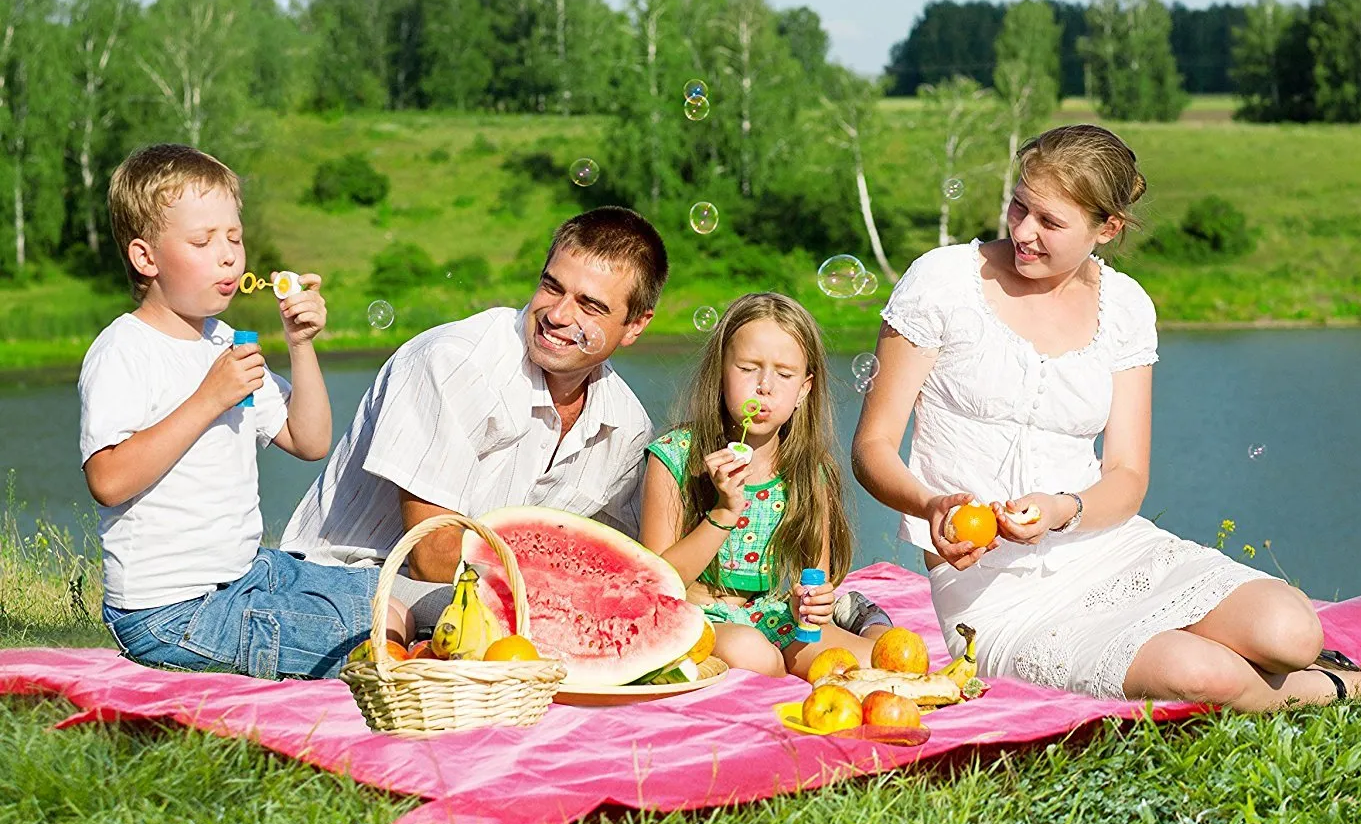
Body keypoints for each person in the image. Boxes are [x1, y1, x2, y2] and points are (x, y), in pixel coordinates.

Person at [850, 125, 1361, 713]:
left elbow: (1126, 476)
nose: (1023, 232)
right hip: (994, 596)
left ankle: (1289, 668)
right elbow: (872, 448)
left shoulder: (1125, 308)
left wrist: (1063, 509)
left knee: (1292, 631)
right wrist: (932, 507)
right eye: (1019, 207)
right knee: (1203, 672)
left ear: (1107, 228)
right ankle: (1348, 688)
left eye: (1051, 222)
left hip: (1109, 550)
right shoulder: (942, 281)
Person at [80, 143, 393, 680]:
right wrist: (209, 398)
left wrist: (300, 343)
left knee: (384, 586)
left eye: (234, 237)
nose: (228, 255)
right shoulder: (124, 351)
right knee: (375, 627)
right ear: (146, 258)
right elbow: (108, 479)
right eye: (203, 241)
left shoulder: (225, 343)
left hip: (244, 574)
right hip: (170, 612)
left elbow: (310, 440)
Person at [281, 207, 663, 628]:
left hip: (496, 594)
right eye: (552, 287)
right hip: (347, 579)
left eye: (590, 306)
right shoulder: (452, 363)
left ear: (634, 326)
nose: (558, 315)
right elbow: (430, 556)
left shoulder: (627, 426)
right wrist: (564, 596)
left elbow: (614, 559)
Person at [639, 293, 892, 678]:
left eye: (784, 374)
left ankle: (861, 616)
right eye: (748, 368)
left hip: (776, 616)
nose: (765, 386)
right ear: (721, 372)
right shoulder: (674, 457)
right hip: (699, 619)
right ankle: (854, 614)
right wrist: (724, 512)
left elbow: (812, 581)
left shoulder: (809, 471)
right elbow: (657, 587)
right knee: (754, 655)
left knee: (881, 662)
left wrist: (814, 603)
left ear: (803, 391)